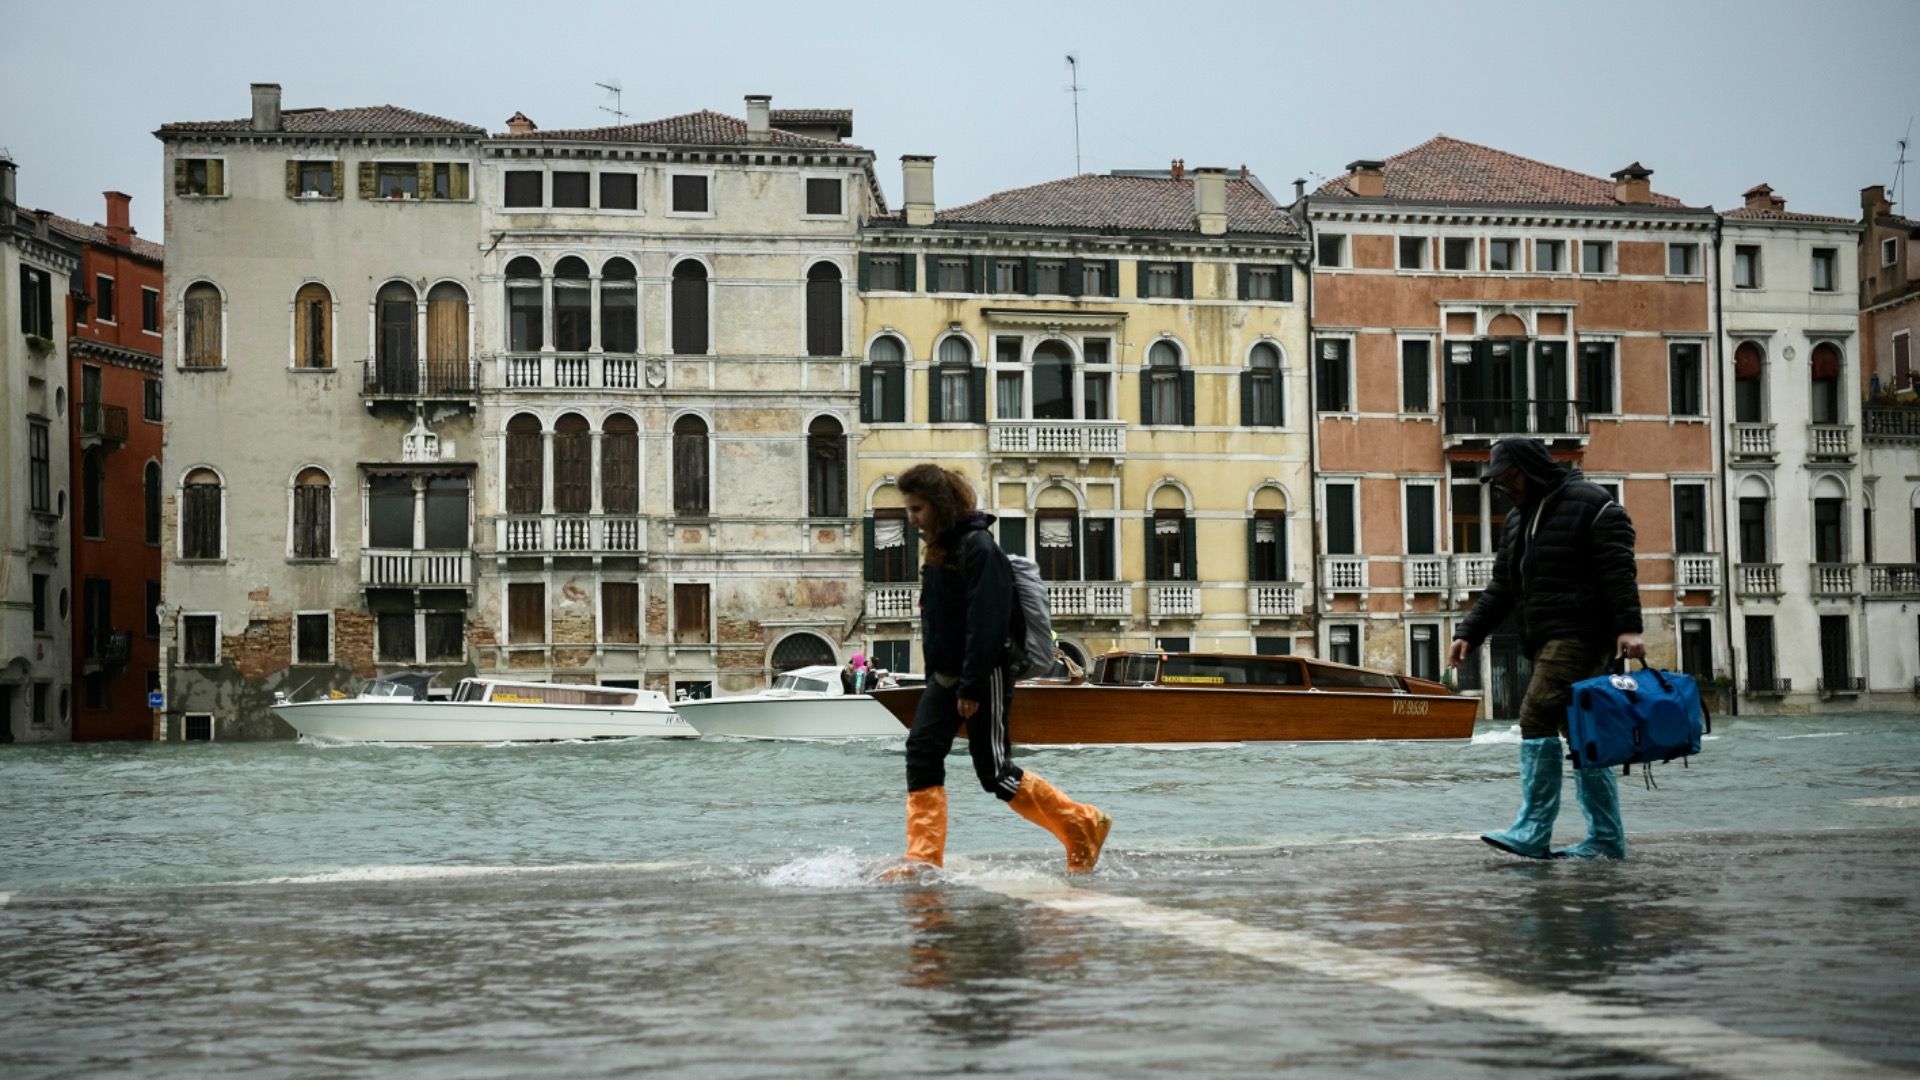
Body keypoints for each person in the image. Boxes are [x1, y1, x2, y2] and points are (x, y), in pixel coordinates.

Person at [889, 463, 1112, 877]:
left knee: (994, 772)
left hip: (983, 673)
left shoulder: (978, 548)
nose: (911, 518)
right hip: (944, 675)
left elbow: (987, 623)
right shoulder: (940, 551)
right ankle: (922, 859)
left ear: (938, 506)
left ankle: (1080, 822)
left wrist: (972, 685)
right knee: (921, 751)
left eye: (917, 509)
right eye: (909, 509)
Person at [1449, 437, 1645, 860]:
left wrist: (1629, 627)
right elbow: (1502, 586)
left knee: (1535, 713)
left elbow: (1618, 569)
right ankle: (1607, 839)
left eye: (1507, 478)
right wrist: (1470, 631)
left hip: (1582, 633)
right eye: (1497, 483)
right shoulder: (1519, 520)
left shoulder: (1591, 504)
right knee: (1581, 734)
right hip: (1543, 636)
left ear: (1528, 467)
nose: (1503, 488)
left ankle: (1533, 831)